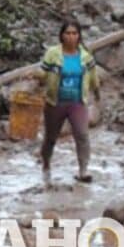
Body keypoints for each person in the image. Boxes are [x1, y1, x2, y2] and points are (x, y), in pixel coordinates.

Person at [38, 21, 100, 183]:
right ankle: (46, 164)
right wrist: (35, 77)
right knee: (50, 138)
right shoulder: (52, 54)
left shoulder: (86, 57)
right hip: (55, 102)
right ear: (62, 36)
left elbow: (93, 77)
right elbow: (43, 74)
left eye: (74, 33)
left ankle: (83, 171)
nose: (71, 37)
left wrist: (97, 93)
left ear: (79, 36)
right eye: (68, 33)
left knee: (82, 135)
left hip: (77, 102)